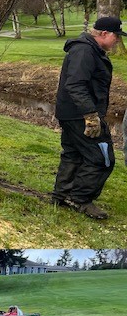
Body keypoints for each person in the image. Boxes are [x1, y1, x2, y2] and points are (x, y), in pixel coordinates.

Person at [52, 16, 124, 219]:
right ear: (104, 34)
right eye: (116, 37)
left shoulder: (89, 50)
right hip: (80, 115)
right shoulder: (84, 51)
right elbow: (75, 85)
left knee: (73, 154)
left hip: (72, 113)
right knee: (102, 158)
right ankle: (80, 199)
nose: (117, 41)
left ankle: (62, 195)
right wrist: (91, 116)